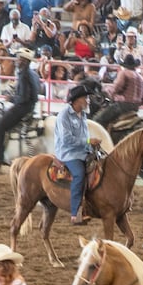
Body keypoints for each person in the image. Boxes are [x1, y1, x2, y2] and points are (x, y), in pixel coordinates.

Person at [0, 47, 39, 169]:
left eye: (19, 58)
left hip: (22, 108)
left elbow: (23, 98)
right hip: (30, 107)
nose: (17, 60)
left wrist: (11, 99)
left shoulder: (24, 75)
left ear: (25, 61)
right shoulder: (32, 73)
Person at [55, 86, 96, 224]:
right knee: (79, 173)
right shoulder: (64, 115)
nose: (88, 100)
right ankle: (75, 213)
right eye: (86, 98)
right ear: (77, 100)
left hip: (83, 151)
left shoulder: (83, 114)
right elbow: (66, 140)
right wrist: (89, 141)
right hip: (68, 153)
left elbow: (84, 137)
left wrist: (91, 145)